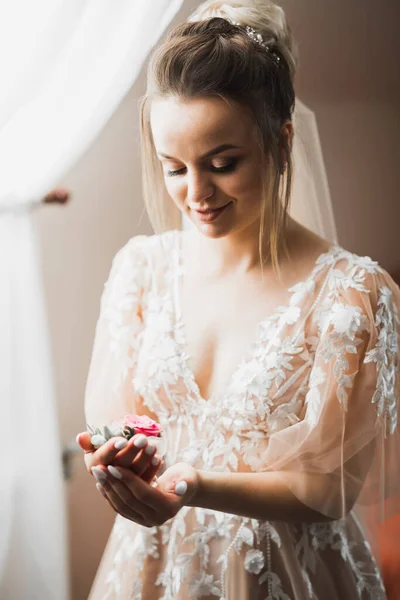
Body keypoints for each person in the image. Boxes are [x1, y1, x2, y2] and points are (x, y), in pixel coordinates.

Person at [76, 1, 400, 598]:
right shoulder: (141, 268)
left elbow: (328, 489)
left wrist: (192, 486)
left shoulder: (353, 294)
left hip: (285, 570)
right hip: (151, 567)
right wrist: (118, 455)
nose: (195, 193)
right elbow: (116, 414)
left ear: (281, 141)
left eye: (222, 164)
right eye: (174, 168)